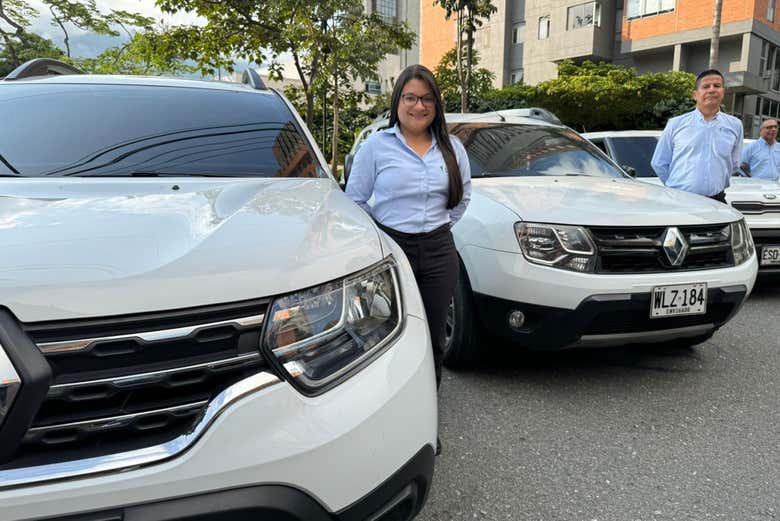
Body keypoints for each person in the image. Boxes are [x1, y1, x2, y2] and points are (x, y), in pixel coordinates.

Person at [346, 64, 471, 391]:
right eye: (411, 97)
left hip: (439, 252)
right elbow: (354, 200)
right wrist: (383, 238)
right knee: (384, 331)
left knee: (432, 335)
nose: (419, 106)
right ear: (397, 102)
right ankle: (387, 404)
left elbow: (463, 198)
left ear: (436, 105)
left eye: (427, 98)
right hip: (390, 251)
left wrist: (438, 228)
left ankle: (426, 415)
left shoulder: (453, 148)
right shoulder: (376, 146)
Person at [651, 69, 743, 203]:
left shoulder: (735, 125)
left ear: (723, 92)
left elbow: (735, 164)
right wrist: (675, 188)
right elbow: (659, 162)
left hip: (717, 201)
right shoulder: (676, 124)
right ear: (695, 95)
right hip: (680, 200)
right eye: (706, 86)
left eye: (717, 86)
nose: (712, 90)